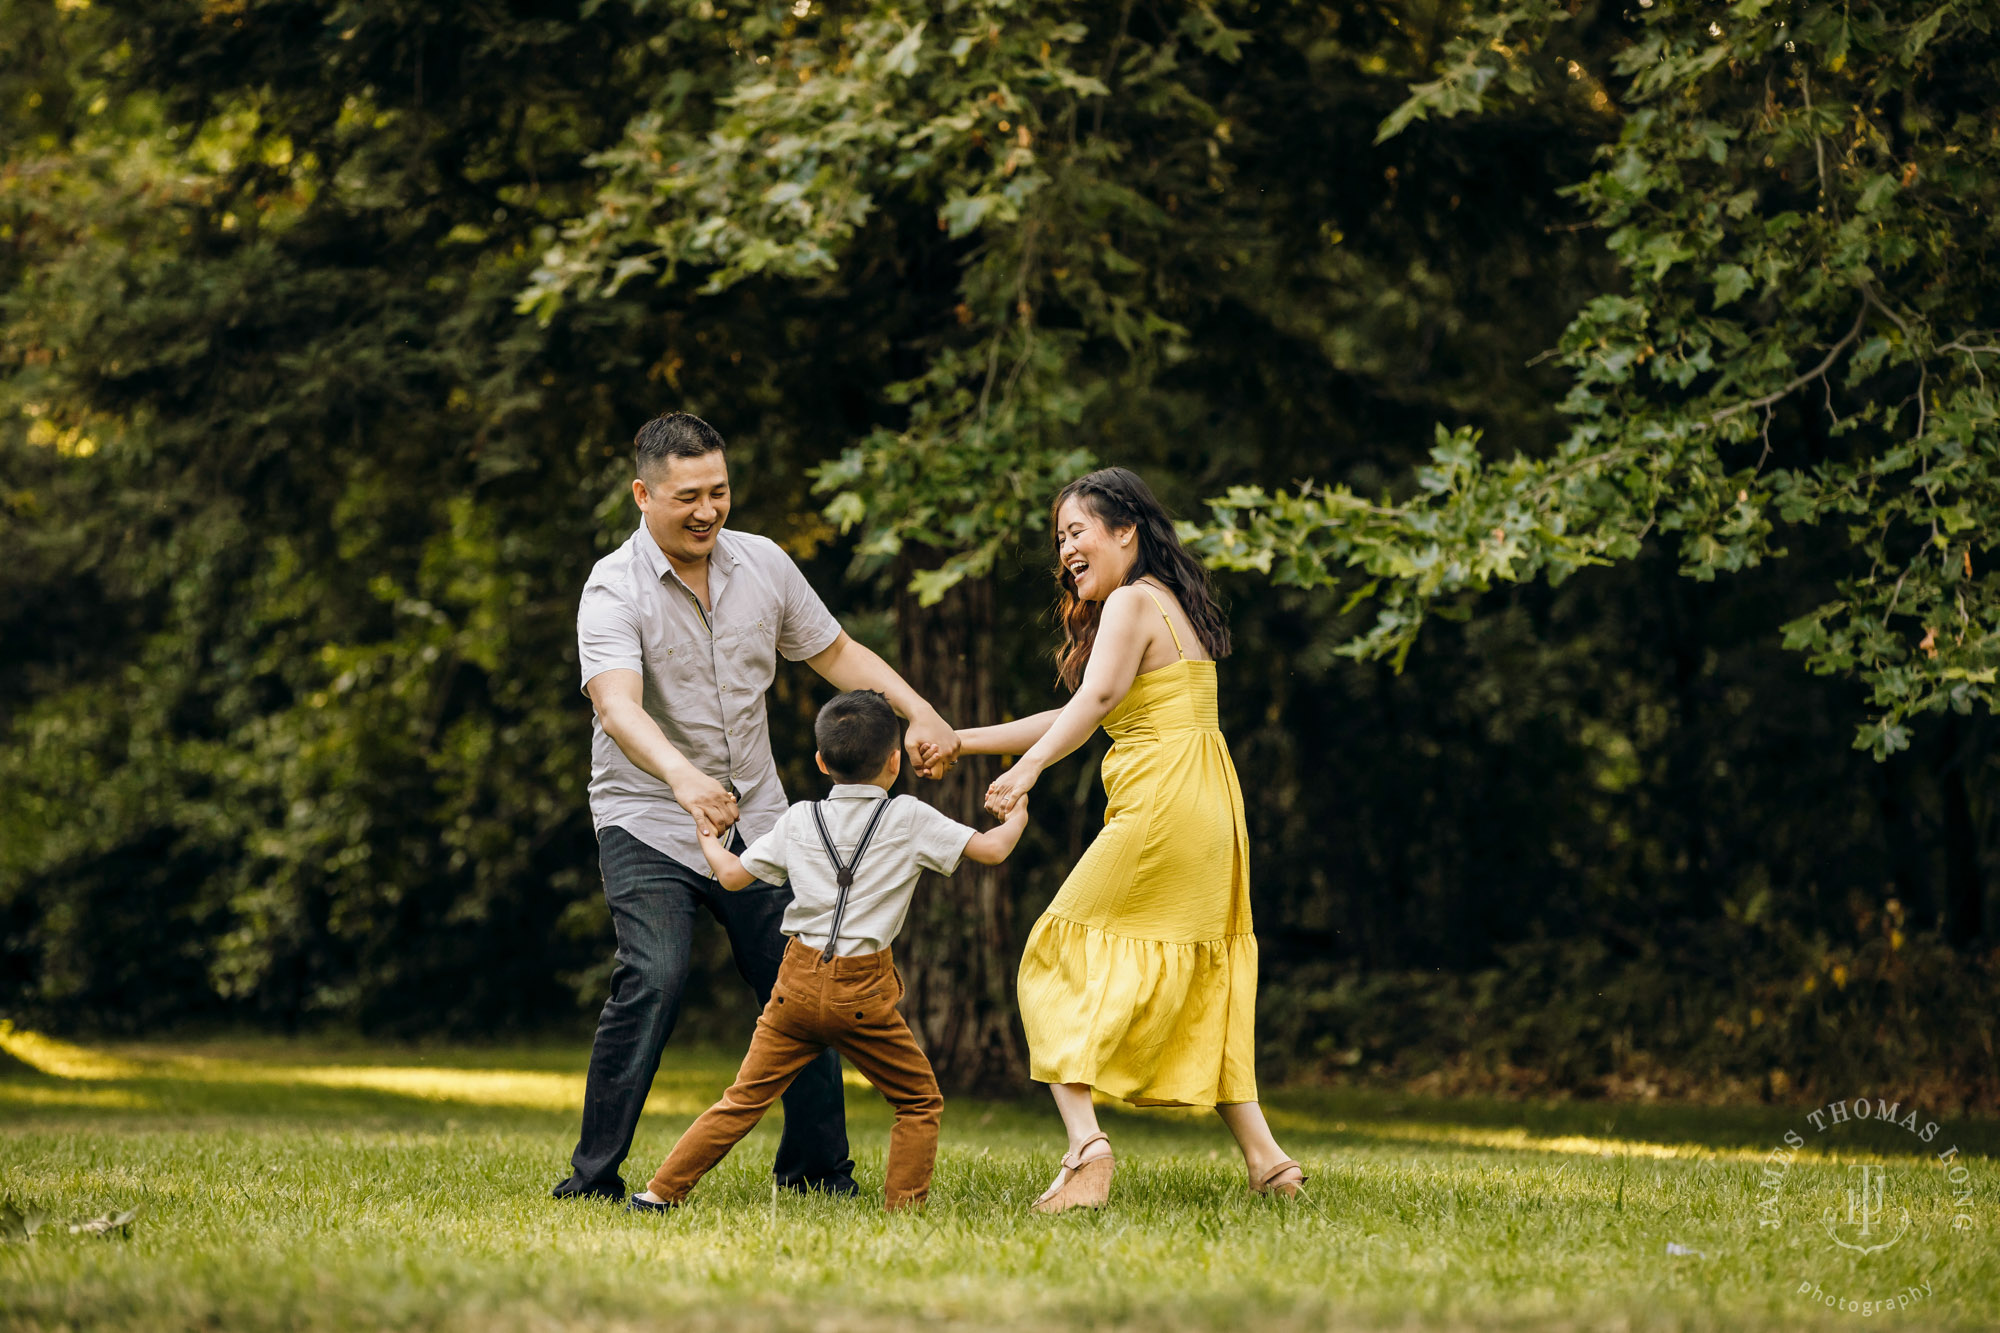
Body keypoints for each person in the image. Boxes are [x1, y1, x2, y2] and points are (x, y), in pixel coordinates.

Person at [553, 411, 962, 1202]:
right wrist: (683, 778)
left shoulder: (763, 564)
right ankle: (593, 1177)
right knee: (656, 972)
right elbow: (617, 707)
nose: (708, 510)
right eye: (687, 497)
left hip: (762, 816)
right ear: (643, 494)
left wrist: (919, 713)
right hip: (647, 813)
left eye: (720, 491)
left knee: (809, 973)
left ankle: (814, 1173)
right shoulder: (613, 586)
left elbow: (837, 653)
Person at [944, 467, 1306, 1212]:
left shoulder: (1134, 600)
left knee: (1053, 949)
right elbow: (1087, 707)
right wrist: (964, 741)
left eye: (1077, 531)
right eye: (1060, 538)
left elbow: (1096, 700)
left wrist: (1029, 772)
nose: (1066, 547)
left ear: (1125, 531)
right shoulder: (1167, 603)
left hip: (1163, 806)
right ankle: (1268, 1161)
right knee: (1206, 972)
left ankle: (1087, 1149)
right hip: (1207, 805)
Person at [630, 690, 1029, 1213]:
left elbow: (730, 876)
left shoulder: (799, 819)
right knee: (918, 1100)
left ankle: (658, 1193)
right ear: (894, 760)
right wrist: (1017, 809)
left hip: (793, 985)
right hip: (862, 993)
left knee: (742, 1099)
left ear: (821, 761)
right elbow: (993, 849)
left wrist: (708, 834)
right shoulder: (908, 816)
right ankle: (903, 1212)